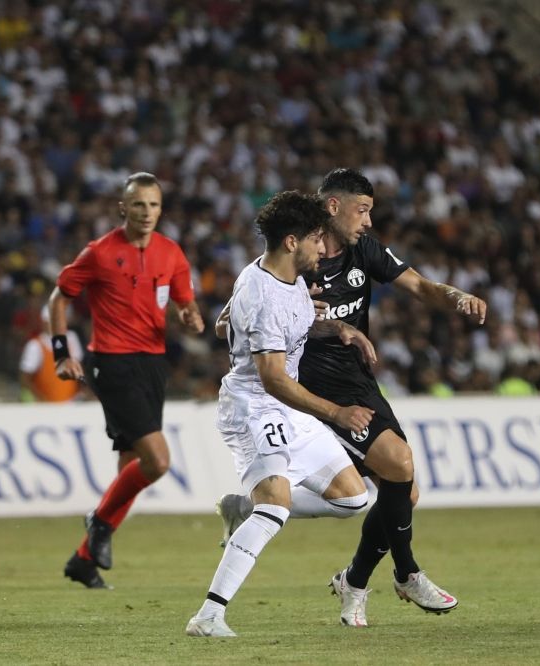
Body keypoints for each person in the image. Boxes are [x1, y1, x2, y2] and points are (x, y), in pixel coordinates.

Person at [216, 168, 487, 627]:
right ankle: (406, 573)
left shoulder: (364, 250)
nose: (368, 221)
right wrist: (307, 315)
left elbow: (421, 286)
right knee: (398, 467)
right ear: (333, 207)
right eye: (362, 210)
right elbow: (231, 320)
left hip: (357, 382)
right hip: (314, 388)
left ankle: (354, 580)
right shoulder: (295, 254)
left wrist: (457, 296)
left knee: (405, 492)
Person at [185, 190, 376, 638]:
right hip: (255, 406)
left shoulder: (276, 277)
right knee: (276, 507)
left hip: (286, 405)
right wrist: (338, 412)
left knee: (353, 499)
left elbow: (222, 325)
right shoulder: (263, 292)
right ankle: (208, 616)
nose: (323, 249)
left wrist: (333, 326)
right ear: (292, 242)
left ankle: (247, 507)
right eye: (315, 240)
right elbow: (272, 378)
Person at [50, 172, 204, 589]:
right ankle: (98, 520)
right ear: (124, 208)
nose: (147, 212)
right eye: (138, 204)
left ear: (161, 209)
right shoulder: (100, 253)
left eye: (154, 205)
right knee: (157, 461)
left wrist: (189, 317)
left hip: (152, 366)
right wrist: (63, 353)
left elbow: (185, 306)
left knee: (128, 471)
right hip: (111, 363)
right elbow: (58, 298)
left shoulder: (172, 253)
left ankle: (84, 559)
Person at [19, 305, 84, 402]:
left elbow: (80, 370)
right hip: (46, 407)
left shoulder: (72, 339)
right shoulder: (35, 346)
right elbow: (25, 379)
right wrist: (41, 400)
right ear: (44, 322)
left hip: (72, 404)